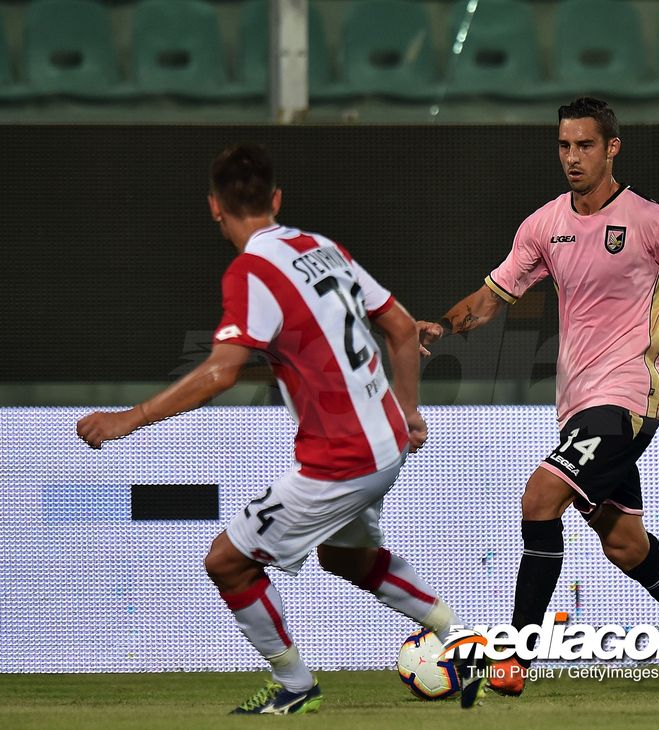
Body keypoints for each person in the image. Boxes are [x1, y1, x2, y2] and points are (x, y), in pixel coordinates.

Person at [76, 143, 484, 714]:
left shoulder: (251, 272)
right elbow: (398, 327)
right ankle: (465, 641)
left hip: (342, 459)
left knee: (226, 560)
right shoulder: (321, 247)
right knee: (346, 558)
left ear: (215, 207)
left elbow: (221, 371)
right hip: (386, 443)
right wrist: (408, 410)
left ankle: (295, 687)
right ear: (276, 199)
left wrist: (132, 418)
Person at [419, 97, 659, 696]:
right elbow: (490, 297)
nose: (572, 158)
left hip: (630, 397)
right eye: (564, 146)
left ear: (611, 149)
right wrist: (442, 327)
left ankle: (514, 659)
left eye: (584, 146)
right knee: (625, 544)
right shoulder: (544, 224)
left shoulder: (649, 221)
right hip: (579, 404)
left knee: (540, 495)